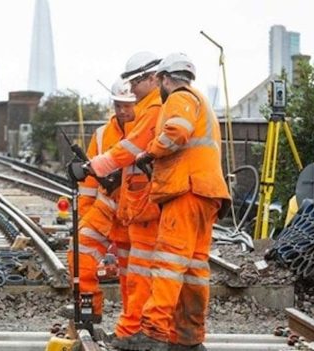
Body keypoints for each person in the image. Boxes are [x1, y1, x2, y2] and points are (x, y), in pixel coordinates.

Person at [113, 53, 231, 351]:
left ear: (165, 78)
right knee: (193, 269)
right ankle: (188, 338)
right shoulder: (202, 102)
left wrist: (150, 153)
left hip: (186, 192)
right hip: (207, 195)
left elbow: (176, 132)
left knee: (168, 262)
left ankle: (153, 332)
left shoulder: (178, 98)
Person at [88, 51, 163, 339]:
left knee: (142, 272)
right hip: (132, 207)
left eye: (135, 84)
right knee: (134, 272)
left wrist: (95, 166)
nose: (131, 92)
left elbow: (131, 150)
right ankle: (140, 328)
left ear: (153, 78)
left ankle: (138, 329)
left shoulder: (153, 111)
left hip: (145, 206)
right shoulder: (151, 110)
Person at [66, 78, 137, 322]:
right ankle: (89, 311)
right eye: (118, 105)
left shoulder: (148, 129)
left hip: (136, 214)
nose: (122, 111)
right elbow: (88, 186)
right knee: (79, 252)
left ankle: (133, 323)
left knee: (133, 274)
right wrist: (84, 218)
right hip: (106, 210)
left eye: (128, 105)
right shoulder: (101, 135)